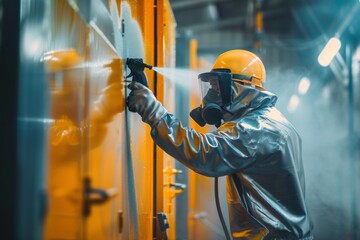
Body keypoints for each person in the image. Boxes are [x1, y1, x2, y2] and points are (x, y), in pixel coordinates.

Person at [127, 49, 313, 239]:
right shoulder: (270, 121)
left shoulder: (258, 129)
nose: (212, 95)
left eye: (217, 88)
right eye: (211, 88)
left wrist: (154, 112)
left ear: (240, 88)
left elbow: (205, 154)